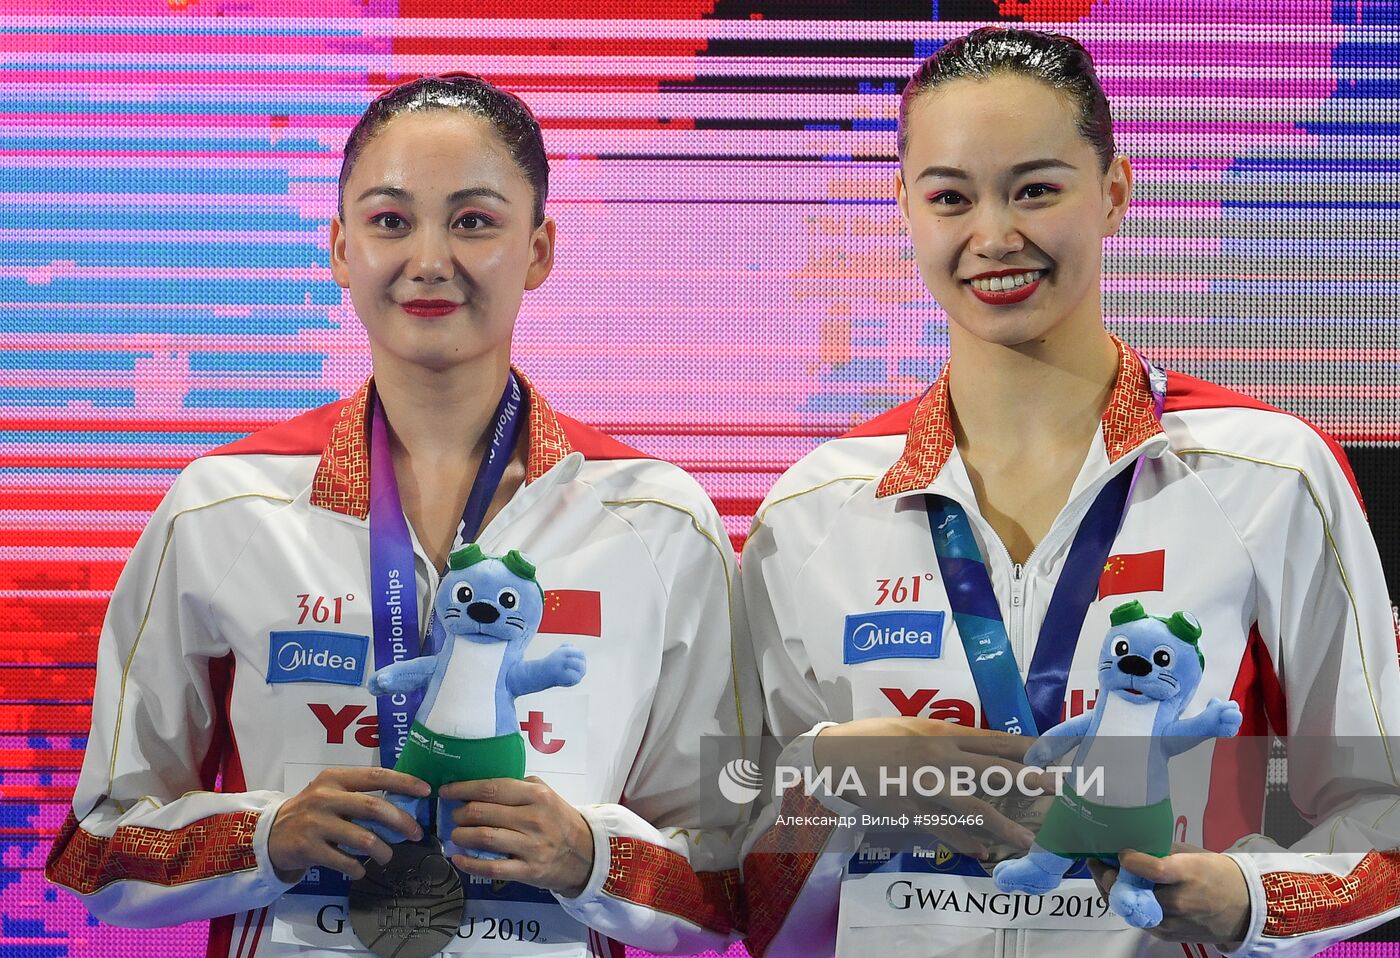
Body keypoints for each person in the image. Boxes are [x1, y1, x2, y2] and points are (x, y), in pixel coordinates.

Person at [46, 74, 755, 958]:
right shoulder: (226, 506)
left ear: (538, 251)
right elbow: (97, 849)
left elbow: (733, 885)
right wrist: (267, 838)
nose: (428, 259)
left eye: (473, 221)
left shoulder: (657, 520)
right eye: (390, 221)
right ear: (340, 248)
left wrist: (589, 858)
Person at [738, 27, 1400, 958]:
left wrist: (1245, 899)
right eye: (950, 197)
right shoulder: (813, 507)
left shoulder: (1266, 473)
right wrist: (827, 779)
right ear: (905, 209)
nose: (994, 236)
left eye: (1036, 189)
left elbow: (1388, 814)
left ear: (1115, 193)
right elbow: (739, 880)